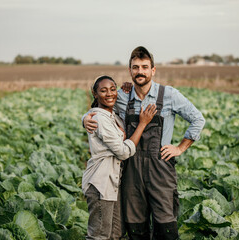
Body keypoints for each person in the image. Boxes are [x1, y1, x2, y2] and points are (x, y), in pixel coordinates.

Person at [83, 47, 205, 239]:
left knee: (166, 228)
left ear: (153, 70)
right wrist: (85, 118)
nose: (140, 71)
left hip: (161, 170)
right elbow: (99, 108)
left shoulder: (169, 95)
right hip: (132, 171)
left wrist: (180, 148)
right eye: (136, 67)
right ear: (130, 71)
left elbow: (198, 119)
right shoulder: (122, 96)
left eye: (145, 67)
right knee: (135, 228)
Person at [82, 75, 157, 240]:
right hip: (100, 184)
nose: (109, 94)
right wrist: (143, 124)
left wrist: (84, 118)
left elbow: (94, 112)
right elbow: (123, 152)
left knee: (116, 233)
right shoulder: (100, 119)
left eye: (112, 89)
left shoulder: (111, 115)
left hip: (112, 183)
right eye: (103, 90)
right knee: (99, 235)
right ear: (95, 94)